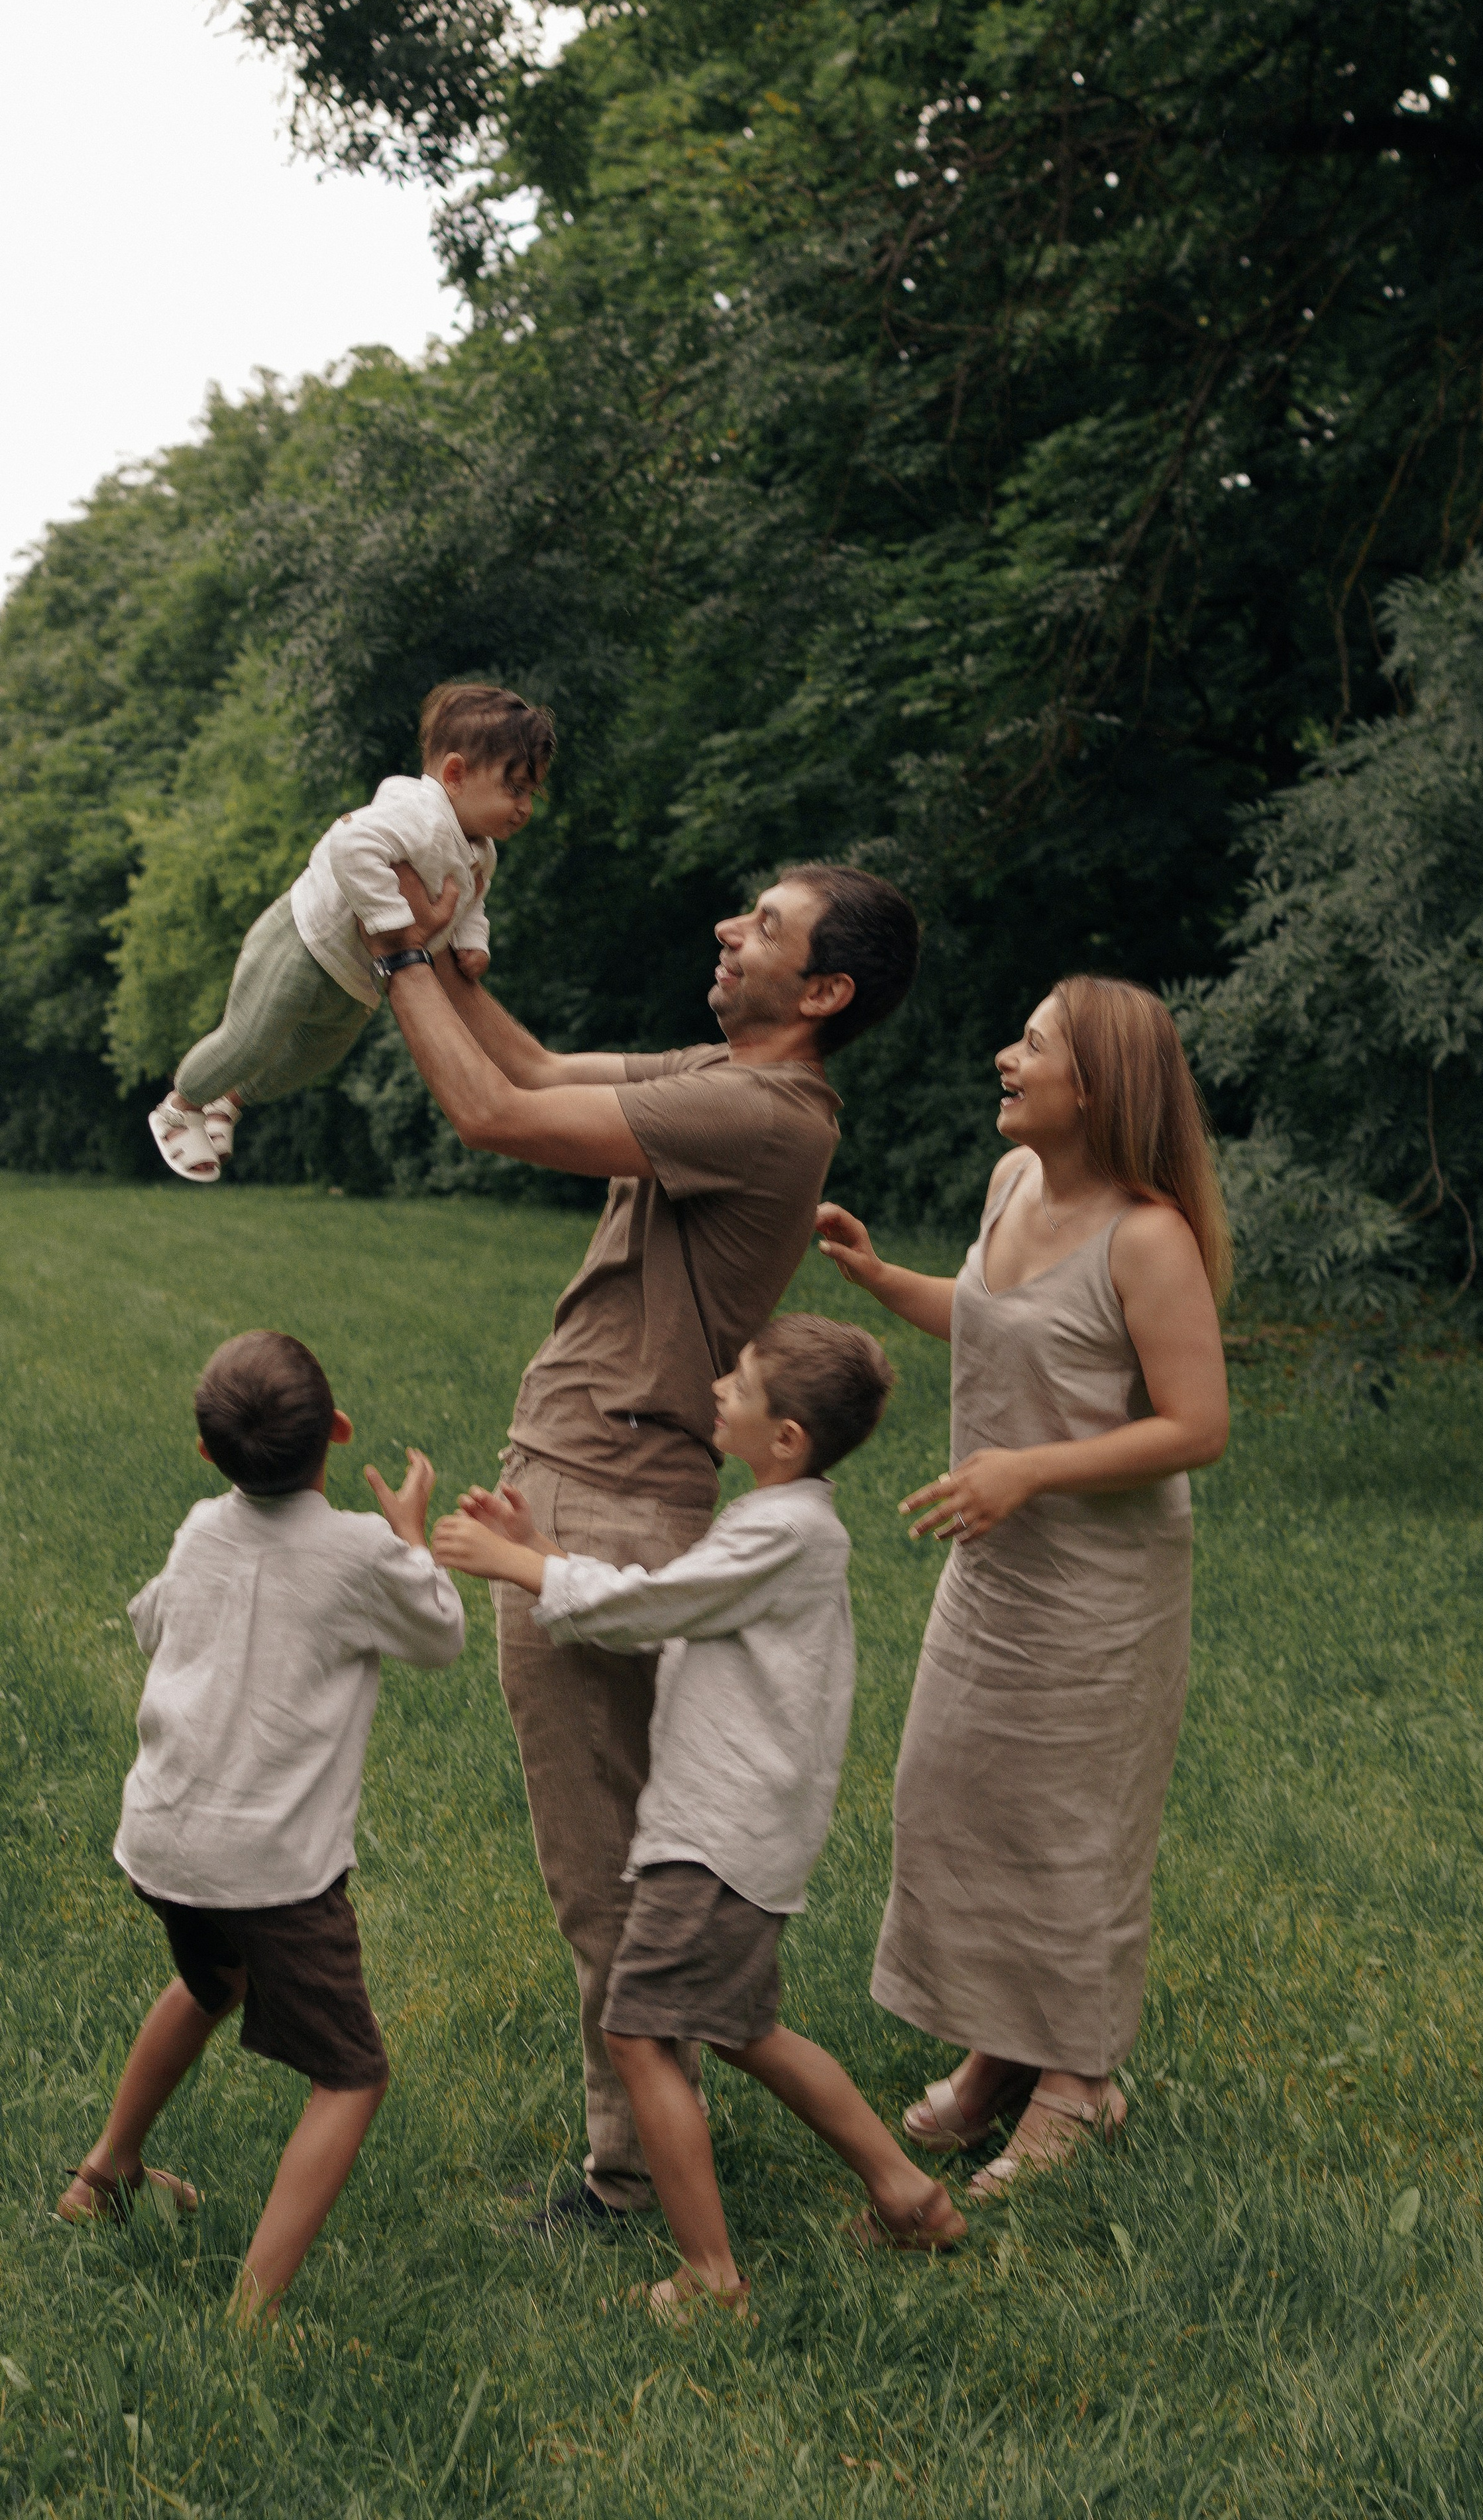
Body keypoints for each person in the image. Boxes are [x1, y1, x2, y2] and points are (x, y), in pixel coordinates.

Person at [362, 857, 920, 2223]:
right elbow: (535, 1066)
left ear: (825, 992)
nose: (729, 931)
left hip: (607, 1491)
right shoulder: (725, 1075)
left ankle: (628, 2183)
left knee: (601, 1869)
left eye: (766, 927)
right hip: (598, 1477)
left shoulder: (760, 1111)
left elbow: (491, 1114)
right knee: (616, 1858)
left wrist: (389, 954)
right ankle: (654, 2142)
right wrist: (450, 957)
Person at [434, 1314, 965, 2319]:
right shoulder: (785, 1521)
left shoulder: (782, 1532)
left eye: (741, 1383)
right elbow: (677, 1605)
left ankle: (710, 2276)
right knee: (743, 2031)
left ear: (787, 1437)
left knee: (637, 2033)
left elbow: (656, 1607)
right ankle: (910, 2197)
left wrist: (516, 1567)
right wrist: (541, 1544)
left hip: (718, 1835)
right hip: (736, 1829)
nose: (717, 1387)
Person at [815, 976, 1231, 2197]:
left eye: (1034, 1044)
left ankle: (1079, 2081)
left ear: (1095, 1087)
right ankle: (1002, 2045)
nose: (1007, 1055)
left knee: (1069, 1830)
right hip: (994, 1570)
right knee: (959, 1801)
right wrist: (885, 1281)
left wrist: (1031, 1470)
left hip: (1100, 1592)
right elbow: (998, 1319)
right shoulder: (1012, 1185)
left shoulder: (1146, 1237)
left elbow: (1198, 1426)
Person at [56, 1332, 465, 2324]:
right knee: (351, 2076)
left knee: (215, 1980)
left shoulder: (202, 1527)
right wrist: (410, 1536)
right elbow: (441, 1634)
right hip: (271, 1870)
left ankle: (104, 2176)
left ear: (208, 1455)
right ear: (339, 1431)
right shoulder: (360, 1552)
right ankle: (251, 2315)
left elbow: (151, 1622)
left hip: (162, 1841)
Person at [146, 683, 554, 1182]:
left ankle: (226, 1102)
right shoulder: (416, 814)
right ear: (455, 774)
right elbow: (350, 843)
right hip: (304, 941)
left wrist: (473, 943)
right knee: (250, 1038)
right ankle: (179, 1107)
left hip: (356, 981)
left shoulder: (482, 851)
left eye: (531, 793)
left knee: (309, 1059)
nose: (525, 807)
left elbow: (472, 903)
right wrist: (392, 924)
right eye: (515, 789)